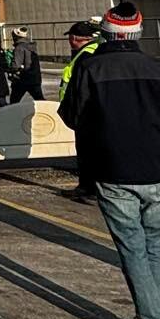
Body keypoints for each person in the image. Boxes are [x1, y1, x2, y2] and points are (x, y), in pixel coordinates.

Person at [59, 0, 160, 319]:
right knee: (153, 249)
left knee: (132, 248)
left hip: (114, 168)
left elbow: (73, 115)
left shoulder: (91, 67)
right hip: (157, 171)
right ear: (139, 32)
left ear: (107, 33)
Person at [58, 19, 102, 198]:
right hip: (93, 110)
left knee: (87, 152)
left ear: (75, 38)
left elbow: (79, 86)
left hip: (85, 112)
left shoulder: (85, 55)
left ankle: (87, 187)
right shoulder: (93, 50)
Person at [8, 27, 44, 103]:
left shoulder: (19, 48)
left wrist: (9, 68)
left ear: (16, 36)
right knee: (40, 101)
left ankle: (13, 115)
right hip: (35, 78)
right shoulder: (32, 47)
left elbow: (15, 65)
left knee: (14, 102)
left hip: (22, 79)